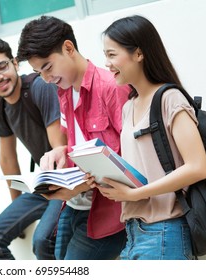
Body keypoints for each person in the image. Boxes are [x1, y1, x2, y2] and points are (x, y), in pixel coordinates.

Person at [17, 16, 129, 260]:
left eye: (47, 67)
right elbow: (78, 145)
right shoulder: (64, 91)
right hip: (76, 204)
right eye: (38, 72)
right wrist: (60, 151)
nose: (45, 79)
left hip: (109, 211)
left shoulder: (112, 87)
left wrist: (80, 186)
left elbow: (131, 160)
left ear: (68, 48)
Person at [97, 15, 206, 259]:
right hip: (133, 233)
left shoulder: (171, 99)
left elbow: (198, 167)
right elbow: (144, 168)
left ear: (138, 53)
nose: (107, 63)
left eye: (112, 54)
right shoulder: (129, 106)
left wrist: (136, 194)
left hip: (165, 232)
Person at [0, 38, 66, 260]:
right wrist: (18, 208)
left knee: (42, 241)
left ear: (15, 63)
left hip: (66, 182)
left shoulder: (40, 87)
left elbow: (61, 150)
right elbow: (7, 158)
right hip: (43, 186)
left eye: (2, 67)